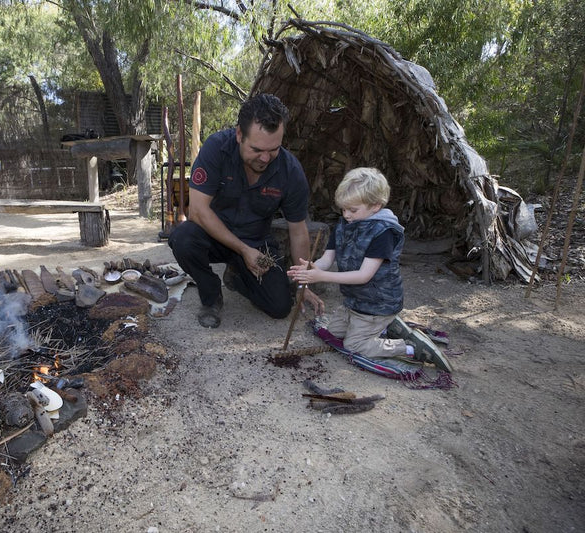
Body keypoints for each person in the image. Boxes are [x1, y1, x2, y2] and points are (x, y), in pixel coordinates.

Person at [168, 93, 321, 328]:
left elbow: (298, 230)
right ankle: (211, 295)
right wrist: (242, 249)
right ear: (240, 134)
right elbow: (198, 211)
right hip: (213, 236)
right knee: (182, 237)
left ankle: (237, 277)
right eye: (257, 149)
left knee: (280, 307)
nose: (265, 158)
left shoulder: (291, 171)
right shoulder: (217, 148)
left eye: (274, 150)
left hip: (257, 241)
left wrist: (303, 285)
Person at [287, 167, 452, 372]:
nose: (346, 215)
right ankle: (388, 326)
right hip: (355, 301)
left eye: (353, 210)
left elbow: (364, 275)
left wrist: (321, 276)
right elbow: (327, 259)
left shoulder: (383, 232)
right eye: (343, 209)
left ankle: (410, 347)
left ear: (376, 205)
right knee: (334, 331)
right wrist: (310, 268)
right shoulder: (344, 225)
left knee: (353, 345)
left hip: (379, 301)